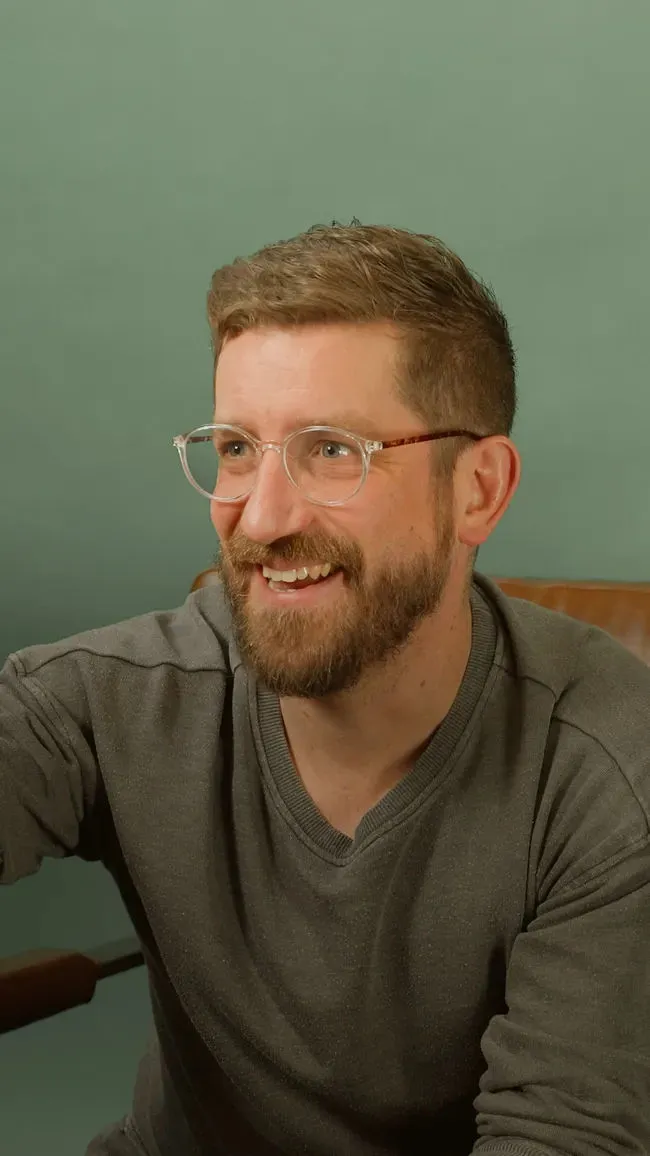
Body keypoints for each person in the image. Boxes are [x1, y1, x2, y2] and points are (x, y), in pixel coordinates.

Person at [1, 223, 648, 1156]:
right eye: (236, 447)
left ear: (478, 490)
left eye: (333, 450)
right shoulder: (113, 701)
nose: (261, 517)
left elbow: (562, 1137)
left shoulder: (609, 774)